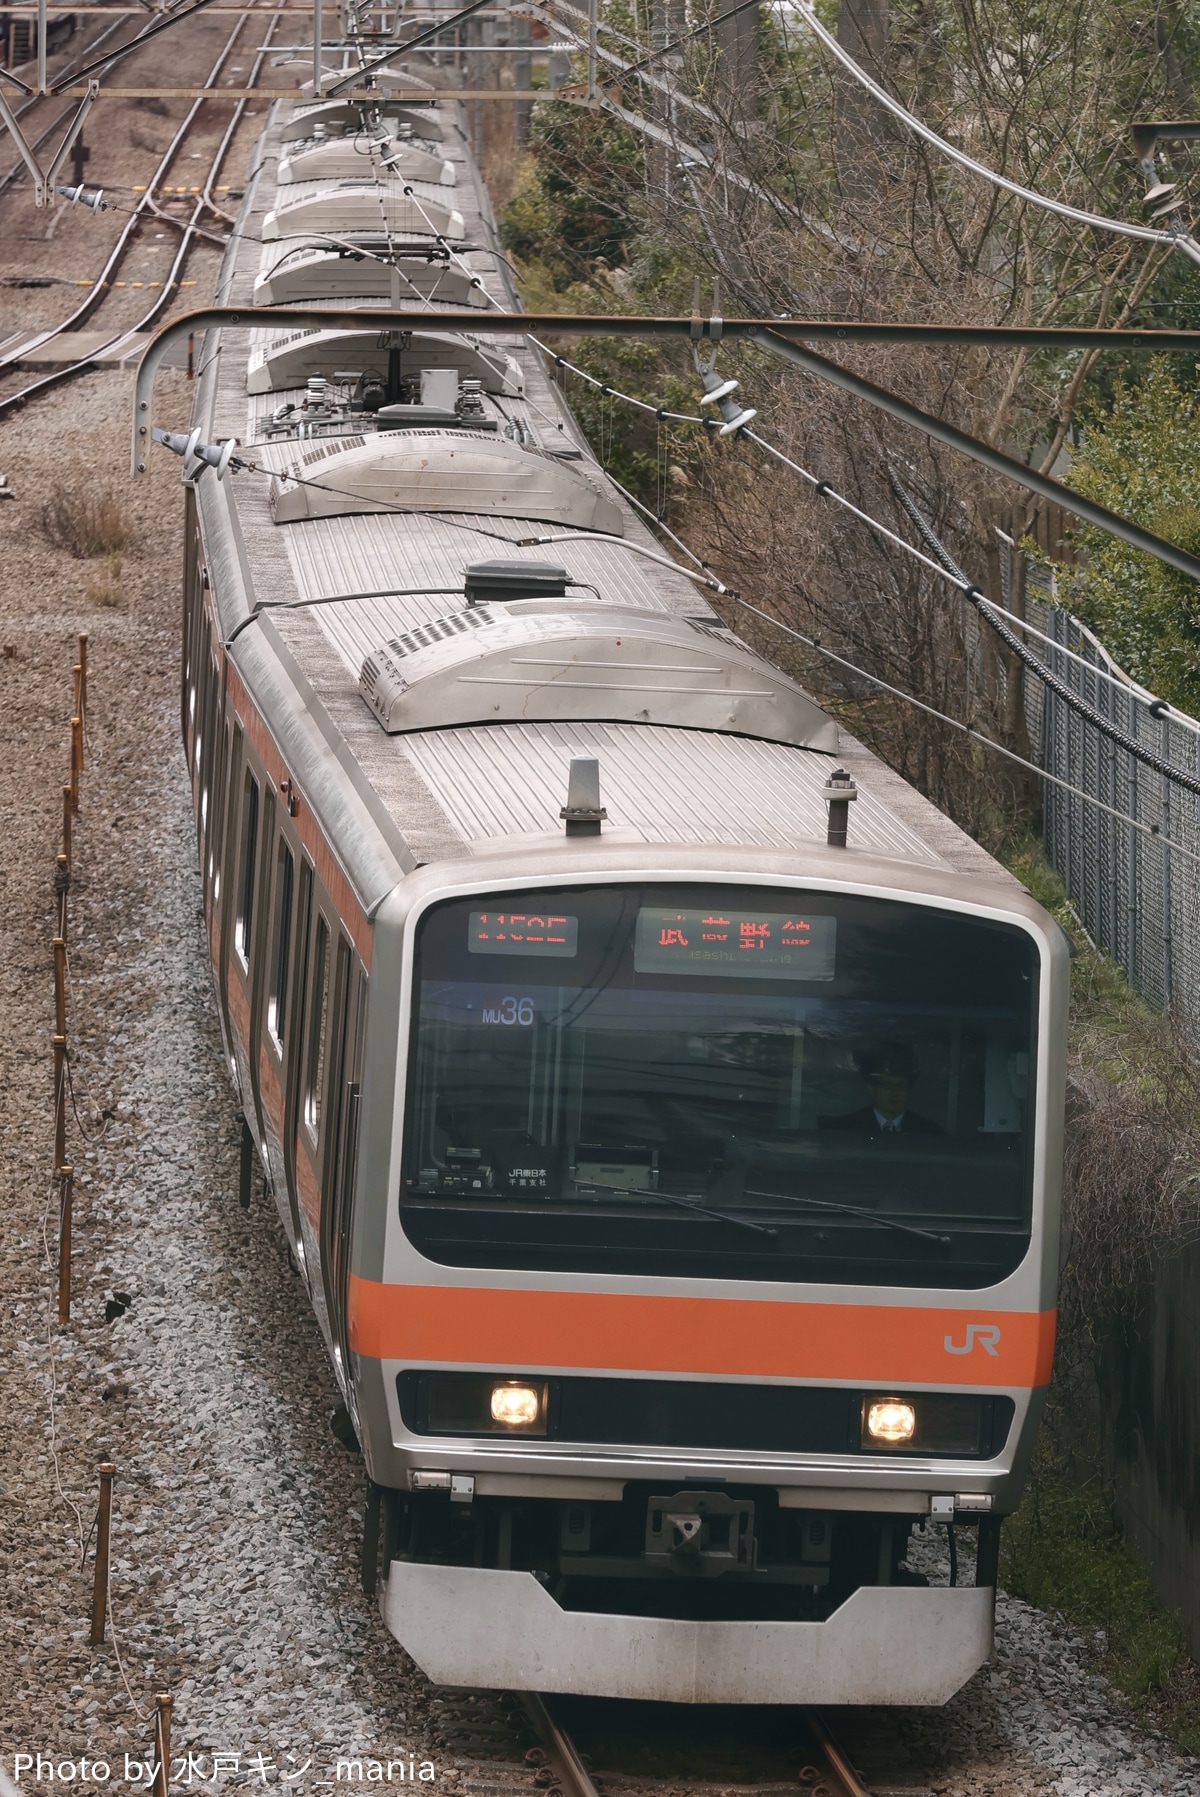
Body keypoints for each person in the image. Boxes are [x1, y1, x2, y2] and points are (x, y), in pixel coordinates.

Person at [819, 1040, 940, 1136]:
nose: (894, 1093)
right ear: (871, 1087)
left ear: (909, 1088)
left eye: (901, 1086)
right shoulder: (841, 1129)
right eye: (886, 1085)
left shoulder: (931, 1133)